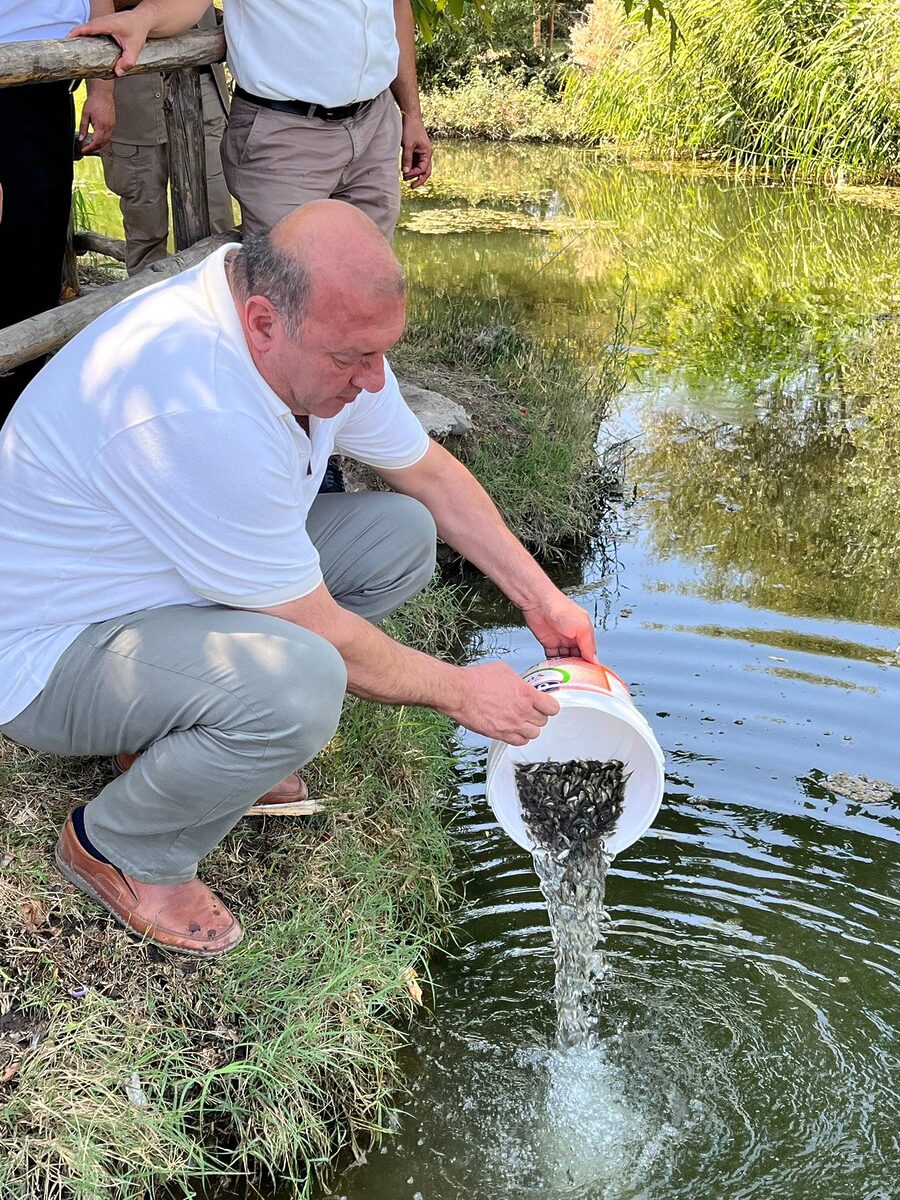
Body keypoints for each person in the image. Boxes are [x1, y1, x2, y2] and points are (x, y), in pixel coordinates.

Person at [0, 201, 595, 958]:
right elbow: (321, 632)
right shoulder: (198, 400)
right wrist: (461, 690)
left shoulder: (309, 342)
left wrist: (544, 602)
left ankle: (173, 743)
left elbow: (432, 478)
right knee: (302, 682)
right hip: (48, 652)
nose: (373, 379)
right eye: (351, 358)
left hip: (150, 586)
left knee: (399, 535)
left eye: (382, 351)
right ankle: (122, 847)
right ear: (262, 321)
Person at [72, 0, 433, 240]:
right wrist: (145, 16)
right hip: (285, 135)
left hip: (376, 124)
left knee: (368, 281)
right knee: (289, 299)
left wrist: (411, 115)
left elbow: (396, 7)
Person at [0, 0, 116, 422]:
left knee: (38, 249)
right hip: (8, 84)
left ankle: (21, 406)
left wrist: (101, 89)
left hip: (51, 82)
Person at [99, 3, 233, 275]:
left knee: (217, 223)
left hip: (202, 76)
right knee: (144, 229)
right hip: (131, 89)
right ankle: (149, 314)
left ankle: (221, 310)